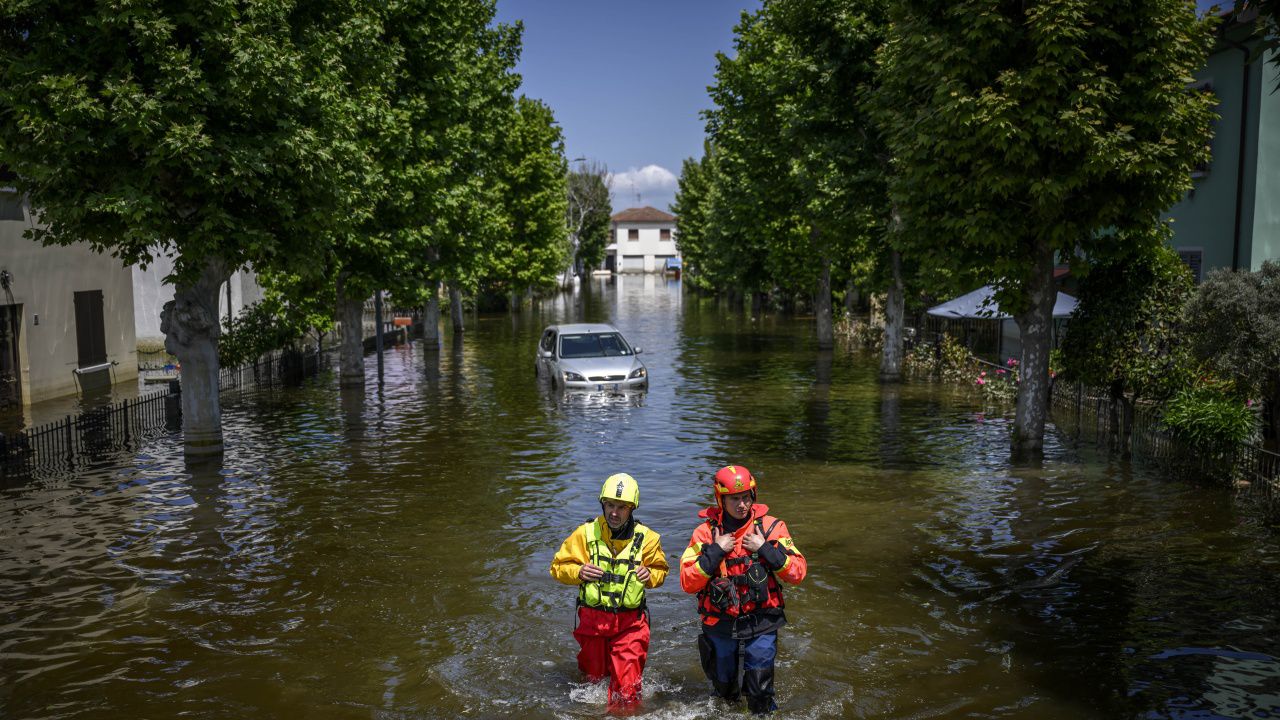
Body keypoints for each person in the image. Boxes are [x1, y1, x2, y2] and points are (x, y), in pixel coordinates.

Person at [679, 464, 807, 715]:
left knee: (760, 692)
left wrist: (765, 549)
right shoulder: (705, 533)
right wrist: (715, 551)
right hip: (720, 622)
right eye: (734, 499)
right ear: (721, 499)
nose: (742, 505)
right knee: (724, 690)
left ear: (753, 496)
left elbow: (798, 573)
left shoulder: (771, 528)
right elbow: (687, 581)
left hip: (761, 620)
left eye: (746, 497)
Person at [550, 473, 668, 712]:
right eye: (610, 505)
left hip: (630, 624)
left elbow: (660, 571)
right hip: (592, 623)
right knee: (591, 685)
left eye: (622, 507)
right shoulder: (584, 534)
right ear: (602, 503)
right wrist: (578, 571)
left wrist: (651, 575)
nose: (614, 513)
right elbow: (557, 568)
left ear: (632, 508)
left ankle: (624, 715)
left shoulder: (649, 539)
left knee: (626, 692)